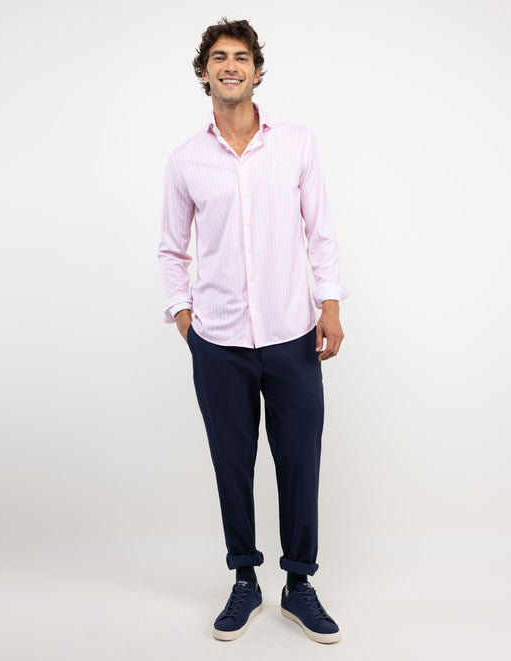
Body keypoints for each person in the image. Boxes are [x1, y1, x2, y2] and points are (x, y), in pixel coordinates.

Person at [158, 17, 348, 644]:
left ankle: (299, 584)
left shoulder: (296, 144)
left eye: (241, 57)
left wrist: (330, 305)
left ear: (258, 71)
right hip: (218, 343)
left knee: (299, 460)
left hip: (293, 335)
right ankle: (245, 580)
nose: (231, 66)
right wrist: (185, 319)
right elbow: (171, 250)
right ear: (204, 72)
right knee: (231, 463)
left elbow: (320, 232)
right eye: (219, 57)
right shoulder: (186, 160)